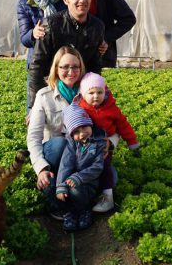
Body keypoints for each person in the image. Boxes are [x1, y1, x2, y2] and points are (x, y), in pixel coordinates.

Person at [27, 46, 86, 220]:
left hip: (80, 154)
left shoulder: (89, 93)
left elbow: (110, 122)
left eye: (75, 67)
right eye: (64, 67)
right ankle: (54, 196)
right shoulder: (44, 96)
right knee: (61, 144)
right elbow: (34, 137)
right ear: (56, 69)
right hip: (55, 155)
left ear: (81, 68)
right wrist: (41, 168)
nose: (70, 72)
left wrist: (108, 144)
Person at [28, 0, 105, 108]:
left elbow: (95, 66)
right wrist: (35, 104)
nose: (82, 0)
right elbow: (37, 65)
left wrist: (93, 94)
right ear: (65, 0)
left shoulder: (97, 26)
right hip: (52, 89)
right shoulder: (51, 24)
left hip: (80, 92)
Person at [77, 72, 139, 213]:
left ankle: (108, 197)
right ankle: (85, 194)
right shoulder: (80, 108)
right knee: (84, 166)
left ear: (105, 92)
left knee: (104, 167)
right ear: (83, 94)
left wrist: (132, 141)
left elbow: (123, 124)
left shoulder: (111, 108)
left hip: (105, 145)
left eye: (99, 92)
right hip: (86, 144)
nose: (96, 96)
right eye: (91, 92)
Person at [17, 0, 66, 111]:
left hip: (63, 62)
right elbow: (24, 38)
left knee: (63, 108)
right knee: (36, 109)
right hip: (38, 63)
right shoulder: (24, 3)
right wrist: (33, 33)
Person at [56, 102, 105, 231]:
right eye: (76, 131)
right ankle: (70, 213)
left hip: (89, 181)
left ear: (90, 124)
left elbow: (97, 167)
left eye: (84, 127)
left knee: (75, 190)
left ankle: (85, 210)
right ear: (71, 134)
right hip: (73, 179)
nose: (82, 134)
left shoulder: (99, 142)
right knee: (59, 190)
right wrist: (61, 185)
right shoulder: (72, 144)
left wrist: (79, 177)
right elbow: (65, 164)